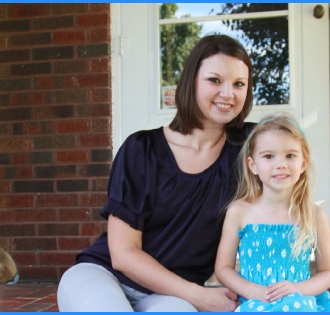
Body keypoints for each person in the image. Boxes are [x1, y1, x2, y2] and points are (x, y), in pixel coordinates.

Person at [57, 34, 255, 312]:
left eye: (239, 84)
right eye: (214, 80)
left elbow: (295, 149)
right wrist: (199, 296)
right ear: (191, 82)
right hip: (103, 275)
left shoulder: (250, 148)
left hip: (172, 295)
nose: (228, 93)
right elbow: (123, 255)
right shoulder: (141, 149)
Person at [215, 113, 330, 312]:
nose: (280, 164)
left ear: (303, 163)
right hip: (253, 300)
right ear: (253, 165)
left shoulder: (314, 215)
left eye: (290, 155)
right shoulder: (239, 212)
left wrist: (297, 289)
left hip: (299, 301)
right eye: (269, 156)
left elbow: (328, 272)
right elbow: (223, 268)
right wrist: (252, 291)